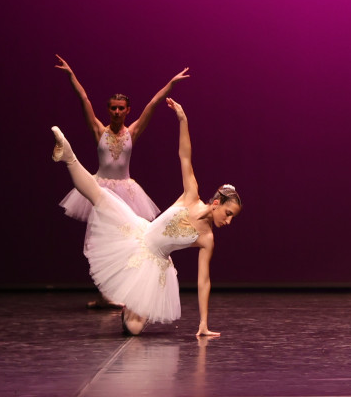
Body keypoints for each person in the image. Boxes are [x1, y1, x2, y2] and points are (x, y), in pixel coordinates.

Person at [52, 97, 241, 336]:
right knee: (99, 196)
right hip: (139, 234)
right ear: (216, 203)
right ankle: (68, 155)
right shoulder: (191, 195)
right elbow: (185, 155)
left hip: (155, 265)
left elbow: (204, 281)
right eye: (228, 213)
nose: (228, 221)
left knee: (133, 329)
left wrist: (203, 323)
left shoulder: (207, 239)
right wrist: (183, 120)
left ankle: (130, 306)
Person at [55, 55, 188, 306]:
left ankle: (122, 292)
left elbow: (152, 104)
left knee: (126, 242)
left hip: (127, 194)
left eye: (121, 108)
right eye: (113, 108)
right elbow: (84, 99)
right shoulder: (99, 131)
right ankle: (104, 294)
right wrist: (71, 76)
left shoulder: (132, 132)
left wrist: (171, 84)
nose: (116, 112)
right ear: (108, 110)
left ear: (127, 111)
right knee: (99, 241)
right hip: (101, 189)